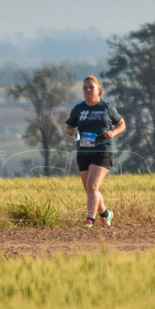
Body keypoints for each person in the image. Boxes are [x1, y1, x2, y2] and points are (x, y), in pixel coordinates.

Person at [65, 75, 126, 227]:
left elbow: (122, 124)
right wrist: (72, 131)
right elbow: (69, 127)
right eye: (85, 88)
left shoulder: (106, 107)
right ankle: (105, 213)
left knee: (92, 185)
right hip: (84, 151)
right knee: (90, 189)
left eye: (91, 87)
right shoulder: (79, 109)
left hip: (103, 150)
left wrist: (113, 133)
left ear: (99, 89)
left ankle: (90, 219)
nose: (87, 90)